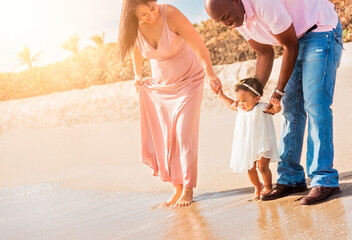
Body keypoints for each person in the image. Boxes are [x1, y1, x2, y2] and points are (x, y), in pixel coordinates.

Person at [205, 0, 343, 205]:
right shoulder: (239, 21)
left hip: (320, 30)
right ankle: (291, 178)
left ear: (235, 1)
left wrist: (277, 92)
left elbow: (289, 46)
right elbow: (264, 52)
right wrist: (251, 96)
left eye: (225, 17)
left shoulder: (262, 3)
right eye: (219, 21)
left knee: (315, 104)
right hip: (296, 38)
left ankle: (324, 179)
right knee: (291, 110)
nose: (226, 24)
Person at [117, 0, 222, 207]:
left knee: (183, 133)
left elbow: (198, 45)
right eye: (143, 15)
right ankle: (177, 188)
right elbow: (136, 49)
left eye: (152, 9)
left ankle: (188, 188)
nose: (151, 16)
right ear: (133, 17)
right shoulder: (135, 28)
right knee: (169, 137)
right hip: (163, 86)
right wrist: (137, 75)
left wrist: (210, 74)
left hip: (189, 80)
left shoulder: (170, 13)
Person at [218, 78, 281, 199]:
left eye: (244, 100)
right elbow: (229, 102)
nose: (240, 103)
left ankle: (268, 186)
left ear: (257, 98)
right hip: (247, 144)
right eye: (239, 100)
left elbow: (274, 110)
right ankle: (257, 186)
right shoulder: (240, 108)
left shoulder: (261, 108)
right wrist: (221, 94)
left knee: (263, 167)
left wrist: (277, 105)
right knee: (250, 168)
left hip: (262, 143)